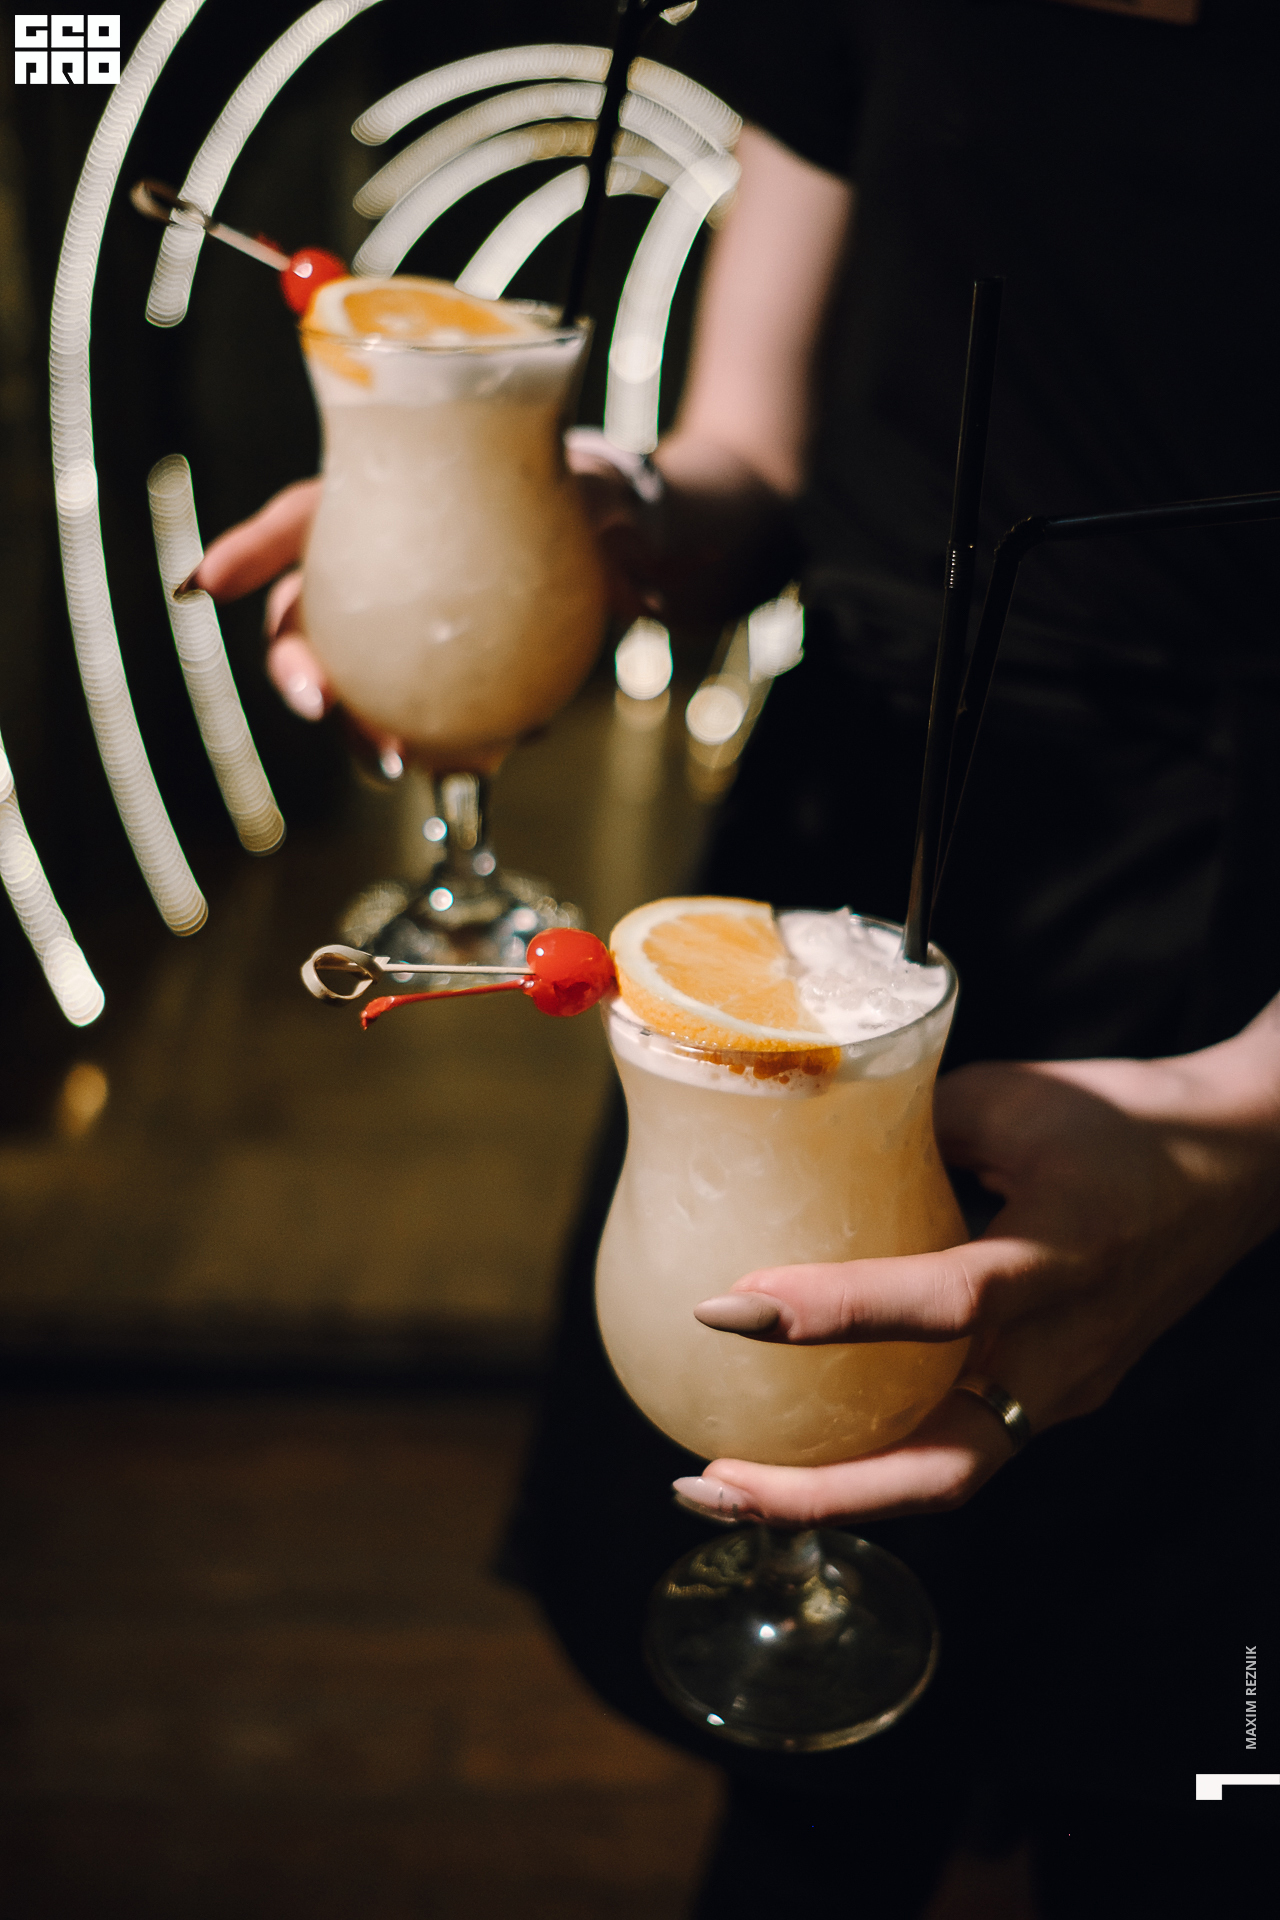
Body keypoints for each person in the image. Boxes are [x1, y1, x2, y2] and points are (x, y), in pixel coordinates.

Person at [196, 3, 1280, 1911]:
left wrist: (1248, 1129)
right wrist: (596, 516)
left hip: (1244, 916)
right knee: (810, 1783)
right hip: (856, 851)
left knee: (1198, 1765)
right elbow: (750, 459)